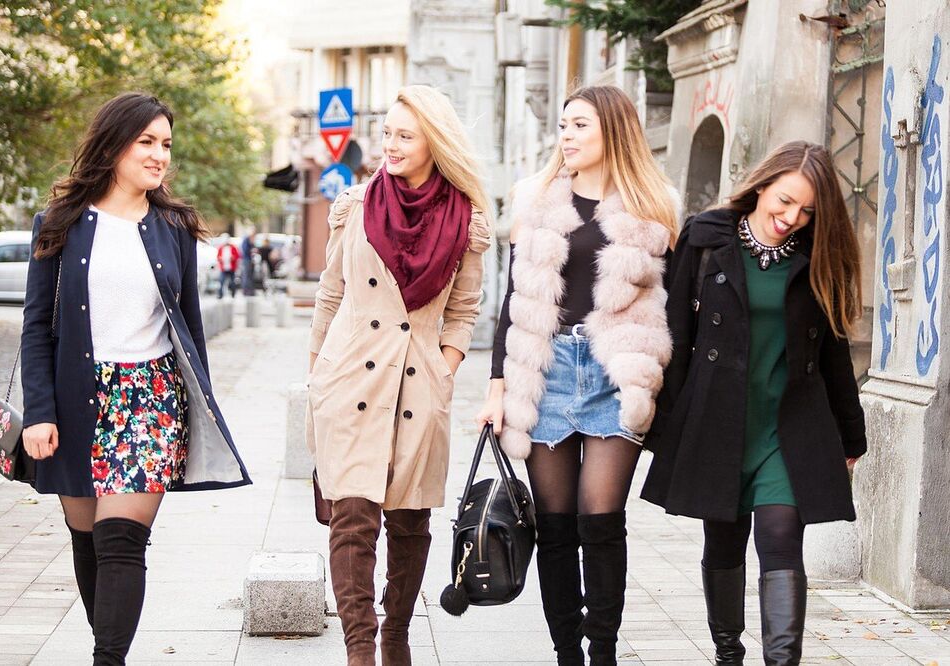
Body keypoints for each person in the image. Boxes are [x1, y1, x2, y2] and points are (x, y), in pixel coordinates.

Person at [20, 92, 251, 665]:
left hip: (150, 399)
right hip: (77, 398)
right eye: (146, 142)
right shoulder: (61, 223)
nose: (159, 155)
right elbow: (36, 325)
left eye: (166, 144)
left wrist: (200, 413)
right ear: (113, 145)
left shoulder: (174, 227)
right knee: (87, 540)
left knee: (122, 540)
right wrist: (39, 411)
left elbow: (190, 326)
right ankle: (109, 646)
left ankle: (108, 660)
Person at [641, 141, 865, 665]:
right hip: (718, 420)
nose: (792, 218)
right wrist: (666, 427)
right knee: (723, 543)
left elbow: (834, 353)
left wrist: (850, 436)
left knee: (781, 536)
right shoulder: (706, 238)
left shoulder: (818, 258)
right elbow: (675, 335)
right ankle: (728, 654)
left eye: (807, 211)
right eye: (785, 201)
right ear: (762, 185)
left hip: (788, 426)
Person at [476, 85, 679, 666]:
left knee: (602, 519)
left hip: (617, 370)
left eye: (580, 125)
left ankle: (604, 653)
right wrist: (496, 390)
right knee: (556, 526)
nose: (566, 135)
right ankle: (568, 653)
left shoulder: (655, 204)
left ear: (613, 130)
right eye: (564, 124)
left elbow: (673, 305)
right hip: (548, 370)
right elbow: (513, 302)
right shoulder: (535, 199)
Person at [308, 84, 491, 666]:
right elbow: (330, 294)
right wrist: (317, 377)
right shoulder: (356, 205)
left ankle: (397, 636)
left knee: (410, 523)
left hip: (418, 383)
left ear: (435, 142)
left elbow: (464, 311)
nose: (390, 144)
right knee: (352, 519)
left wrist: (444, 370)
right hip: (350, 380)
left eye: (405, 135)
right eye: (387, 132)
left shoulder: (466, 220)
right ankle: (360, 650)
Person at [216, 234, 240, 298]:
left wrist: (233, 258)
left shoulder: (233, 247)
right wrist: (220, 259)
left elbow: (237, 256)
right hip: (223, 268)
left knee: (232, 282)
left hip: (231, 268)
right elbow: (218, 257)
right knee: (221, 281)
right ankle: (220, 295)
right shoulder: (221, 248)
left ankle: (233, 294)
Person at [240, 230, 256, 295]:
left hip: (250, 260)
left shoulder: (250, 241)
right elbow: (245, 251)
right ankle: (246, 291)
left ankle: (250, 291)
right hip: (246, 260)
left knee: (249, 276)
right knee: (246, 275)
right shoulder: (246, 240)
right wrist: (252, 250)